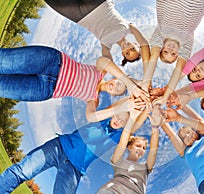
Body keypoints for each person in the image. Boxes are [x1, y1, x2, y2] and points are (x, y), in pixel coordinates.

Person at [0, 111, 130, 194]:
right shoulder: (101, 117)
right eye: (118, 116)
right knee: (22, 171)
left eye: (123, 121)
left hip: (74, 169)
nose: (118, 121)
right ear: (114, 113)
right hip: (59, 147)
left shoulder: (117, 136)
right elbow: (115, 107)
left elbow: (133, 124)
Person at [0, 45, 150, 103]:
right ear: (115, 77)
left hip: (44, 89)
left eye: (117, 90)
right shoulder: (102, 71)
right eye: (118, 83)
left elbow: (91, 117)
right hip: (52, 62)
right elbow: (103, 60)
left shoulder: (94, 100)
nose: (115, 86)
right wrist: (132, 83)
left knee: (2, 87)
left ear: (112, 96)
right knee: (4, 61)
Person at [144, 0, 204, 105]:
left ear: (161, 47)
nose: (170, 50)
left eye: (165, 51)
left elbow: (153, 57)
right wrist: (166, 95)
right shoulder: (186, 41)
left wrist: (146, 82)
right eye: (173, 54)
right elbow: (178, 70)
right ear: (179, 52)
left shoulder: (161, 33)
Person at [45, 0, 150, 67]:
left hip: (78, 15)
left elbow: (108, 63)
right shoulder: (129, 28)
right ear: (136, 44)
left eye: (127, 53)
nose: (128, 48)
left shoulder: (106, 45)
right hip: (98, 3)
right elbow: (144, 43)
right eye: (132, 49)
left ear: (122, 54)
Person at [96, 104, 162, 194]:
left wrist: (155, 127)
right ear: (129, 147)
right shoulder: (118, 161)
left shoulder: (145, 168)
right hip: (111, 191)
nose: (141, 149)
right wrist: (134, 117)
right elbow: (123, 142)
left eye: (144, 148)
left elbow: (153, 151)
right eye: (138, 145)